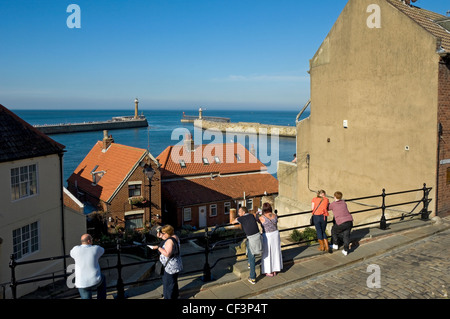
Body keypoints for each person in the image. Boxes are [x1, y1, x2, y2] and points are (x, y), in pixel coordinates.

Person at [149, 225, 183, 299]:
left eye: (163, 233)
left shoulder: (169, 241)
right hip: (175, 264)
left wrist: (158, 248)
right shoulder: (174, 237)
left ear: (167, 233)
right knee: (173, 283)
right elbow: (165, 238)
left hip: (169, 267)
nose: (162, 234)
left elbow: (167, 254)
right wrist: (160, 235)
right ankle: (175, 296)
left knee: (168, 284)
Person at [70, 234, 106, 299]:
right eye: (91, 239)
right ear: (89, 241)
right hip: (95, 280)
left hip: (81, 282)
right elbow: (103, 250)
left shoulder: (75, 249)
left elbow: (71, 254)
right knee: (103, 278)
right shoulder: (96, 248)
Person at [232, 206, 261, 284]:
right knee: (247, 244)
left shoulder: (241, 219)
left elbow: (232, 222)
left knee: (252, 258)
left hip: (252, 239)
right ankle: (249, 263)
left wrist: (236, 219)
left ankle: (252, 277)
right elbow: (254, 215)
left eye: (239, 212)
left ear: (243, 212)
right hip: (257, 236)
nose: (238, 213)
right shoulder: (251, 215)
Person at [258, 203, 283, 277]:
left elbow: (258, 221)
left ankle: (268, 270)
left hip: (267, 235)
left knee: (267, 252)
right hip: (275, 234)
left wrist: (257, 214)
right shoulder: (275, 216)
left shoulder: (262, 217)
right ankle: (275, 269)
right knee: (275, 251)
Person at [329, 191, 354, 256]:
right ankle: (345, 251)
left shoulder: (333, 204)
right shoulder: (344, 203)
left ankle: (335, 244)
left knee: (334, 230)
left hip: (341, 223)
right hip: (349, 221)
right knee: (346, 236)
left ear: (334, 196)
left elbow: (327, 208)